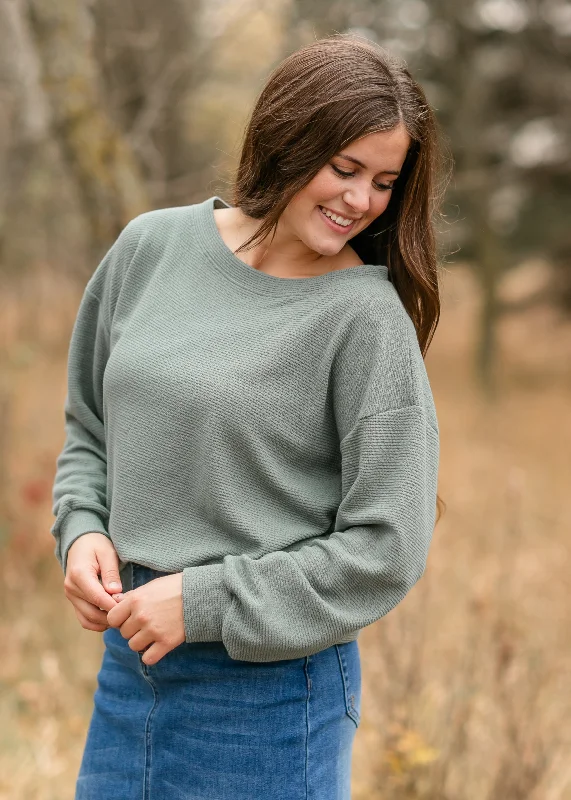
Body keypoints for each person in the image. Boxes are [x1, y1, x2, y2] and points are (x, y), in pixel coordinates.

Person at [50, 32, 449, 800]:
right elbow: (89, 430)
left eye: (383, 182)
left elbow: (387, 546)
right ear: (286, 140)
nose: (359, 201)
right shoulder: (149, 248)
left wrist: (203, 601)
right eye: (344, 169)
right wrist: (82, 529)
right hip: (131, 666)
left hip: (269, 693)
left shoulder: (365, 321)